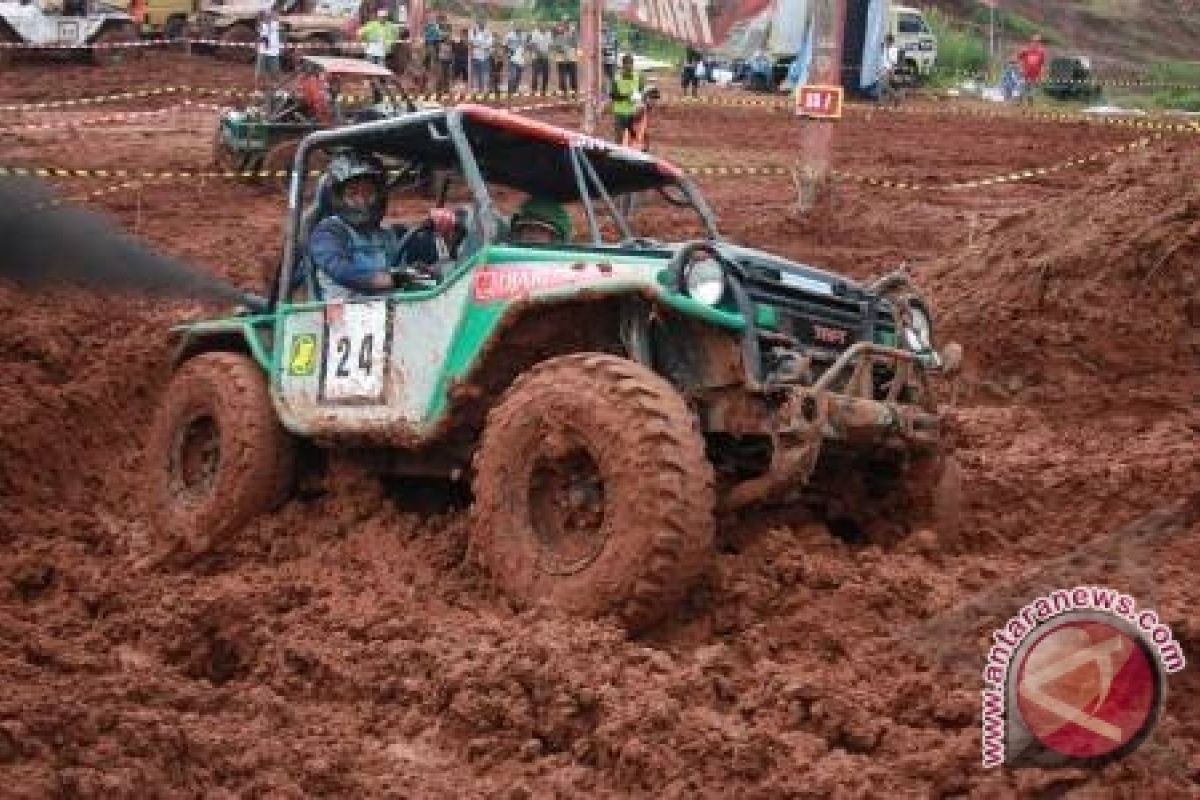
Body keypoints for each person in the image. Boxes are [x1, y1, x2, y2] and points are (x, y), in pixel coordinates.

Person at [305, 153, 457, 299]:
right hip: (346, 318)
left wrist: (444, 232)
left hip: (392, 314)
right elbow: (342, 271)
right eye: (353, 193)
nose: (362, 200)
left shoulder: (389, 235)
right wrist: (399, 279)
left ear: (380, 195)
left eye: (369, 192)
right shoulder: (329, 232)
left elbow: (436, 262)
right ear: (339, 198)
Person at [610, 53, 645, 144]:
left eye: (631, 64)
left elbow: (641, 91)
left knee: (634, 138)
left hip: (634, 113)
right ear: (623, 65)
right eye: (627, 64)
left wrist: (638, 98)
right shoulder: (617, 78)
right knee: (619, 139)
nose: (629, 66)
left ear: (633, 65)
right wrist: (627, 97)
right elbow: (613, 95)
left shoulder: (638, 77)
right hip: (620, 112)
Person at [1016, 33, 1048, 104]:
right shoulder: (1026, 50)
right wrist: (1020, 68)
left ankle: (1030, 100)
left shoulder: (1041, 52)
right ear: (1031, 41)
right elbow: (1018, 58)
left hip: (1035, 73)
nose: (1036, 43)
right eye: (1034, 41)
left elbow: (1043, 63)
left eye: (1038, 42)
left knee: (1032, 86)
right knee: (1024, 85)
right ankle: (1020, 100)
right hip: (1025, 71)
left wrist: (1042, 73)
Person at [256, 8, 282, 87]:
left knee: (275, 71)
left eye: (268, 16)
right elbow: (261, 38)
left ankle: (276, 86)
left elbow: (276, 15)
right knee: (260, 72)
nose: (267, 17)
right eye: (265, 16)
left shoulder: (275, 24)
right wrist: (262, 39)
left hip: (274, 52)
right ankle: (259, 87)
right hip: (263, 52)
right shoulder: (261, 26)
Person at [554, 18, 578, 93]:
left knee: (573, 76)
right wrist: (561, 49)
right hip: (561, 58)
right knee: (562, 76)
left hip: (571, 58)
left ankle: (574, 92)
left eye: (567, 23)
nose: (565, 25)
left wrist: (572, 34)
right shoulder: (558, 34)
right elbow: (556, 46)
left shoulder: (573, 33)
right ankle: (563, 92)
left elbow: (575, 44)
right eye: (564, 23)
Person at [469, 19, 493, 93]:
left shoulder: (488, 32)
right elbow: (471, 42)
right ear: (477, 23)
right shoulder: (473, 31)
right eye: (480, 22)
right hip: (475, 57)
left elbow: (489, 43)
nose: (481, 23)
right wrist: (483, 44)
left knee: (484, 75)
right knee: (475, 75)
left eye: (483, 22)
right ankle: (475, 92)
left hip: (485, 57)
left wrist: (479, 44)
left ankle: (482, 91)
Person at [878, 33, 901, 107]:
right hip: (882, 68)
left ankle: (896, 96)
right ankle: (881, 103)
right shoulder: (884, 47)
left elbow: (893, 62)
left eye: (887, 40)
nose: (885, 42)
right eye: (885, 40)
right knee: (881, 86)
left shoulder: (894, 50)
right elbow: (882, 58)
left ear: (890, 41)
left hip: (888, 69)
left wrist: (892, 72)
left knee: (884, 85)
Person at [505, 23, 528, 95]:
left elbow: (527, 45)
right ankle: (510, 92)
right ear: (514, 27)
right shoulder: (509, 35)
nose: (519, 27)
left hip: (521, 59)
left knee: (518, 76)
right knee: (513, 76)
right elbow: (505, 45)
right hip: (513, 59)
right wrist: (508, 54)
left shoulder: (524, 35)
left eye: (520, 26)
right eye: (517, 26)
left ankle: (514, 91)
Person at [530, 22, 552, 94]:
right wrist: (540, 53)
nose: (544, 27)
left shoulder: (549, 33)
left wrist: (548, 52)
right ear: (539, 26)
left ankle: (543, 90)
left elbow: (550, 44)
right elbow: (533, 45)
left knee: (546, 74)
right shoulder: (535, 33)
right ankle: (534, 90)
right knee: (535, 74)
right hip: (536, 57)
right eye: (542, 25)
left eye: (545, 25)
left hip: (545, 56)